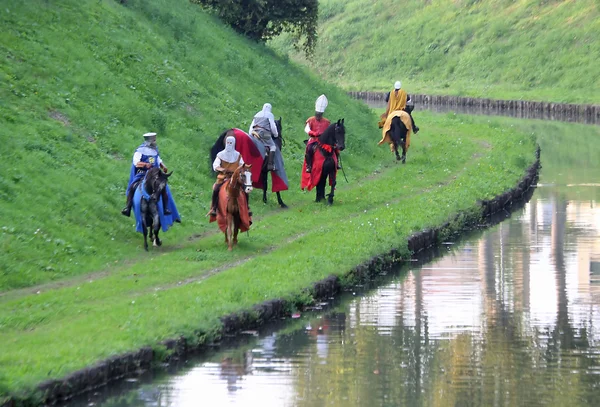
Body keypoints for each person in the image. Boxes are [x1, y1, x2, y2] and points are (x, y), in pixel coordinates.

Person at [121, 132, 171, 217]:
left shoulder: (155, 150)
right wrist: (144, 164)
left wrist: (163, 166)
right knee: (132, 186)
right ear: (149, 141)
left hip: (155, 174)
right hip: (143, 173)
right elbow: (136, 162)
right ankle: (127, 207)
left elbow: (158, 160)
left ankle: (165, 208)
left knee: (163, 187)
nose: (155, 141)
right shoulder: (140, 151)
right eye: (154, 140)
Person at [209, 136, 251, 217]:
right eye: (228, 143)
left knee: (245, 189)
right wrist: (222, 169)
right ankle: (214, 208)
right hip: (223, 177)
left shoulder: (238, 155)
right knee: (216, 189)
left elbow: (242, 165)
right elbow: (215, 165)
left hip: (235, 177)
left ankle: (247, 207)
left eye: (231, 143)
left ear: (234, 143)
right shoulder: (220, 155)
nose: (229, 144)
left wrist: (244, 168)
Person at [304, 94, 341, 173]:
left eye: (320, 114)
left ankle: (336, 163)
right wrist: (313, 133)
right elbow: (306, 129)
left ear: (322, 114)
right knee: (309, 148)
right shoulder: (311, 120)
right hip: (314, 139)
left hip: (324, 141)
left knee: (336, 148)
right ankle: (309, 165)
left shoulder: (326, 121)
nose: (318, 115)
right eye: (317, 113)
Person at [249, 103, 279, 171]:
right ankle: (270, 165)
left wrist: (251, 135)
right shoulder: (270, 115)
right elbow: (273, 126)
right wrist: (276, 135)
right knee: (272, 146)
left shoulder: (257, 114)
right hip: (265, 133)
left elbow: (251, 127)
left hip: (255, 133)